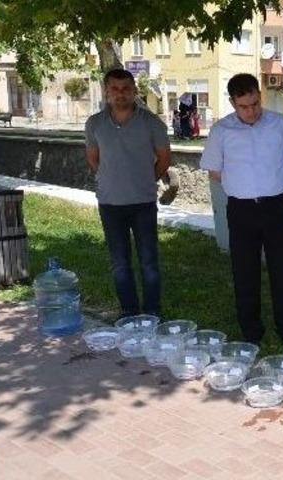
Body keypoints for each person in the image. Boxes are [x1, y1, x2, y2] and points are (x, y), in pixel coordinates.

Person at [200, 73, 283, 353]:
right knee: (244, 272)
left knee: (281, 271)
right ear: (233, 102)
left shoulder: (279, 124)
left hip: (276, 206)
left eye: (255, 104)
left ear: (260, 95)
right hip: (241, 209)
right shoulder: (222, 131)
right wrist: (245, 184)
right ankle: (251, 331)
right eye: (244, 106)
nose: (251, 111)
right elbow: (214, 172)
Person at [85, 69, 171, 317]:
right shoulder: (95, 124)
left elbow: (164, 158)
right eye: (115, 89)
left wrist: (145, 178)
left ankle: (153, 312)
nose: (121, 94)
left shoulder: (152, 123)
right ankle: (129, 313)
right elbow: (93, 158)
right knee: (120, 263)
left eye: (126, 89)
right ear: (107, 91)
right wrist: (110, 178)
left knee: (148, 262)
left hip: (143, 202)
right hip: (110, 204)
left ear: (134, 91)